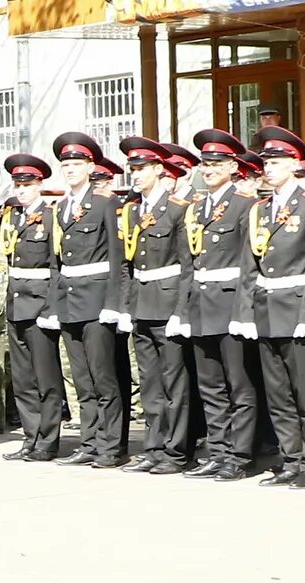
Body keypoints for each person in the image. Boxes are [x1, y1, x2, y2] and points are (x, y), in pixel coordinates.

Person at [248, 128, 305, 488]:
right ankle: (291, 459)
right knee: (279, 395)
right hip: (267, 309)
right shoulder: (261, 210)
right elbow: (249, 267)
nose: (268, 168)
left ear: (295, 164)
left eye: (277, 162)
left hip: (299, 308)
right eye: (266, 162)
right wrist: (246, 313)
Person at [184, 129, 261, 480]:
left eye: (216, 163)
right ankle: (218, 450)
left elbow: (250, 263)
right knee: (210, 385)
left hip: (231, 304)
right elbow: (191, 261)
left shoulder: (246, 206)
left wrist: (244, 312)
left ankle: (241, 455)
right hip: (202, 304)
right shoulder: (197, 208)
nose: (209, 169)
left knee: (239, 385)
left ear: (233, 166)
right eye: (205, 163)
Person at [50, 131, 130, 468]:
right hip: (70, 301)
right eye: (65, 164)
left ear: (90, 166)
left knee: (104, 376)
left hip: (98, 300)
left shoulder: (106, 203)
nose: (70, 169)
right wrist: (54, 306)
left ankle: (111, 445)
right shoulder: (60, 208)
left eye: (76, 164)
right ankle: (90, 441)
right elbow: (57, 262)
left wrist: (116, 304)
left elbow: (117, 258)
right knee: (82, 379)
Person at [0, 152, 65, 460]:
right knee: (24, 380)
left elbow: (59, 266)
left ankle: (49, 440)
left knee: (46, 378)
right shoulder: (11, 217)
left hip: (40, 305)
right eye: (17, 185)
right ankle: (31, 438)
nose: (21, 190)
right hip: (15, 305)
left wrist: (52, 307)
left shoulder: (53, 216)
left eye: (27, 184)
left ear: (40, 184)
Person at [117, 137, 191, 474]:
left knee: (174, 382)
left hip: (168, 299)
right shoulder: (132, 211)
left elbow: (188, 263)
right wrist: (124, 307)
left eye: (141, 168)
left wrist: (181, 310)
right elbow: (126, 265)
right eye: (132, 168)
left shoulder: (178, 209)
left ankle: (176, 451)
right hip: (142, 303)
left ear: (159, 170)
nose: (134, 174)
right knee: (149, 382)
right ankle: (154, 446)